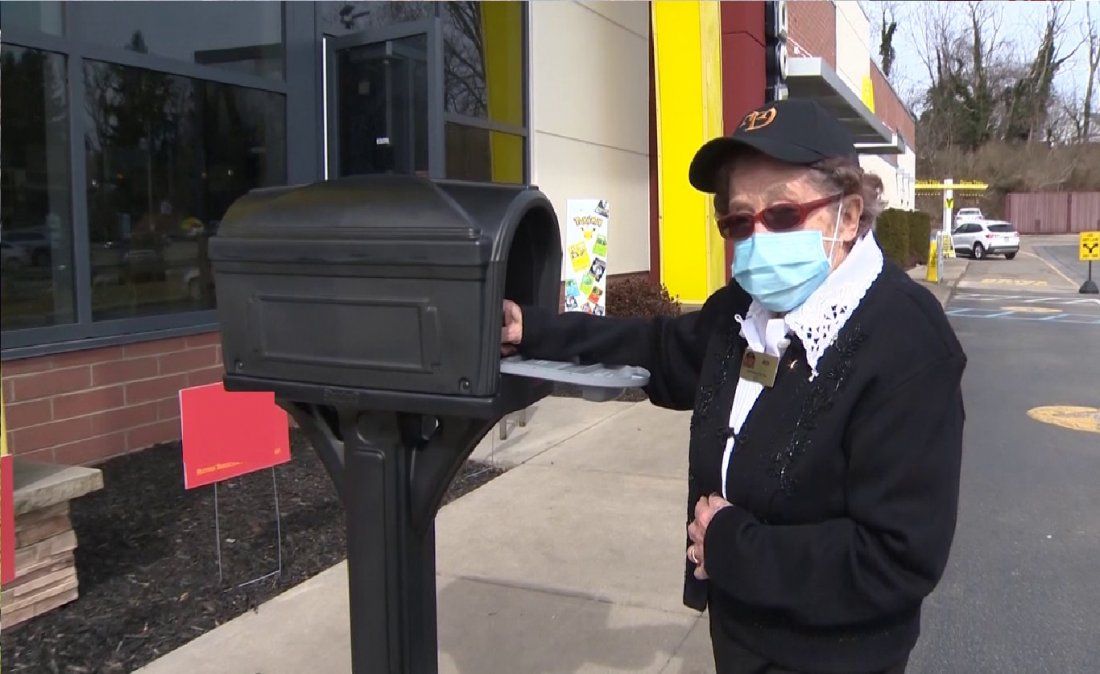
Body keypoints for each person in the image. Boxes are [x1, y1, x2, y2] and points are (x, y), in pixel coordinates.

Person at [500, 99, 966, 674]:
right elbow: (659, 349)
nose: (757, 239)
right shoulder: (745, 312)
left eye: (784, 216)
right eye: (738, 222)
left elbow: (895, 560)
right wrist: (533, 327)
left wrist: (729, 546)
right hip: (741, 641)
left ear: (849, 216)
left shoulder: (909, 344)